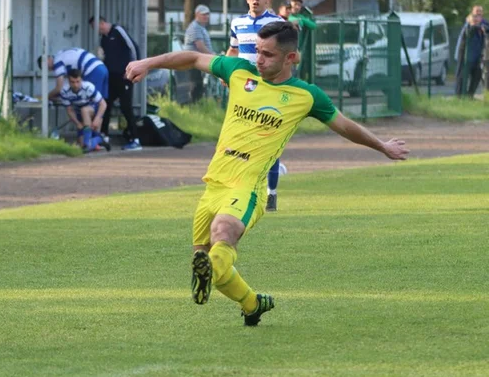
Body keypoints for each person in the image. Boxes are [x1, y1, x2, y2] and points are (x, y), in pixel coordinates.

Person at [125, 20, 409, 327]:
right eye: (258, 51)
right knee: (210, 264)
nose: (259, 59)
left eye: (268, 54)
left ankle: (215, 277)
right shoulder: (238, 72)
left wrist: (381, 146)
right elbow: (193, 58)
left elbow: (345, 126)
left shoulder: (306, 96)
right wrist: (147, 62)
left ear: (291, 58)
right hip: (213, 183)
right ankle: (252, 304)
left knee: (223, 233)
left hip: (248, 187)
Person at [227, 0, 286, 212]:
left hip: (268, 88)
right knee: (240, 137)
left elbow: (289, 55)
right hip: (244, 88)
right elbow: (233, 50)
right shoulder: (237, 23)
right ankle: (240, 189)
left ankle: (271, 192)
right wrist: (225, 70)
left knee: (268, 140)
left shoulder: (277, 23)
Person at [92, 16, 143, 151]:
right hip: (111, 78)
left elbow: (133, 47)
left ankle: (135, 139)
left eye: (95, 27)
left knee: (126, 107)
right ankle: (104, 135)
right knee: (106, 104)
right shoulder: (103, 39)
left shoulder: (118, 30)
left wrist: (135, 68)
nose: (95, 30)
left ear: (102, 23)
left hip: (124, 76)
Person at [55, 68, 110, 152]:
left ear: (82, 80)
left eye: (78, 81)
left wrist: (97, 119)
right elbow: (69, 110)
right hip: (80, 116)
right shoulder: (64, 91)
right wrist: (77, 123)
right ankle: (98, 139)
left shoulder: (88, 87)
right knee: (82, 146)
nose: (75, 85)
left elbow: (103, 104)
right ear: (68, 81)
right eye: (72, 82)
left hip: (93, 113)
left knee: (84, 110)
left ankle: (89, 142)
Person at [454, 5, 489, 98]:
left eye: (480, 15)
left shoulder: (483, 23)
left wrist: (482, 27)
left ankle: (470, 96)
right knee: (461, 77)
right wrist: (477, 27)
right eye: (476, 14)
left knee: (477, 75)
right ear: (472, 14)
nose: (478, 17)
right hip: (464, 55)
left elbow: (486, 27)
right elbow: (469, 31)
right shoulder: (469, 24)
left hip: (476, 56)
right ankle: (459, 98)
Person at [183, 4, 214, 103]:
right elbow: (200, 46)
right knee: (195, 84)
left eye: (207, 14)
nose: (206, 17)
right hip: (192, 60)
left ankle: (197, 104)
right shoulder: (195, 27)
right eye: (203, 14)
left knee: (198, 83)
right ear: (197, 14)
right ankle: (193, 104)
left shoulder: (200, 27)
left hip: (196, 60)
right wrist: (213, 56)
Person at [287, 0, 317, 81]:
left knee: (295, 73)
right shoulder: (287, 15)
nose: (296, 7)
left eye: (299, 5)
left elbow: (313, 26)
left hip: (297, 49)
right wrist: (300, 20)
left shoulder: (301, 16)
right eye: (295, 4)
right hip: (286, 48)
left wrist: (302, 19)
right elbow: (294, 21)